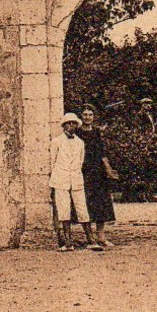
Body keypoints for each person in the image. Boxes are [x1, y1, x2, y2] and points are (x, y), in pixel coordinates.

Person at [50, 111, 97, 251]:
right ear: (64, 126)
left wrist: (74, 173)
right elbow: (53, 162)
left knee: (82, 208)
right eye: (69, 124)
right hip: (61, 179)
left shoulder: (80, 143)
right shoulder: (56, 142)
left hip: (76, 178)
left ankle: (90, 240)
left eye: (74, 124)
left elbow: (80, 161)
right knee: (64, 209)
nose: (71, 126)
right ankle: (67, 242)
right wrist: (58, 176)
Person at [79, 105, 119, 249]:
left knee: (101, 202)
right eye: (85, 114)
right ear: (81, 117)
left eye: (90, 114)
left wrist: (108, 169)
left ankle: (101, 235)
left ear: (94, 117)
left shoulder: (97, 132)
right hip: (83, 171)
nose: (87, 117)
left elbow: (102, 153)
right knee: (86, 203)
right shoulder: (77, 133)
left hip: (98, 172)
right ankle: (89, 237)